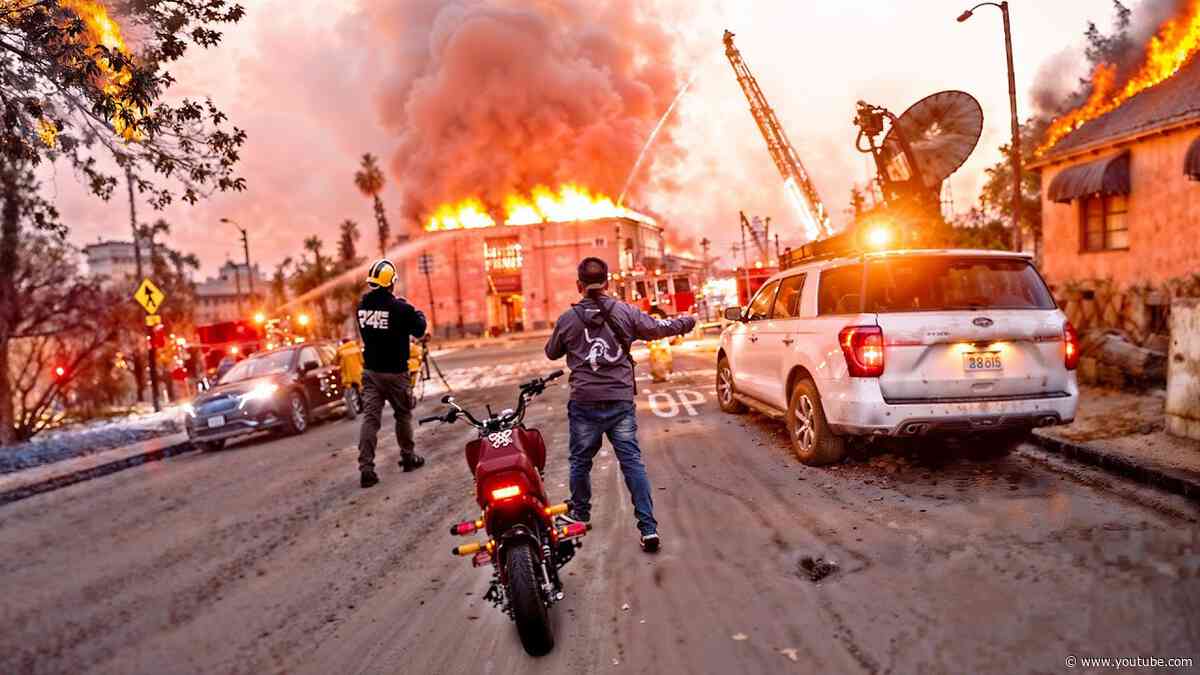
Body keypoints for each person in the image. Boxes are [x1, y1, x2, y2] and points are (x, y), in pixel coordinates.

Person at [544, 257, 696, 553]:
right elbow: (658, 328)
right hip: (619, 400)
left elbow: (551, 353)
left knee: (580, 462)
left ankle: (580, 514)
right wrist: (687, 321)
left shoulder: (567, 319)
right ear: (608, 283)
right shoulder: (625, 312)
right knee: (632, 462)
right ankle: (649, 529)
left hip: (584, 401)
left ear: (579, 285)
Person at [356, 259, 428, 488]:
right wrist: (417, 312)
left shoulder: (362, 307)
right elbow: (419, 328)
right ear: (391, 283)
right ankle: (408, 458)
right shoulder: (400, 308)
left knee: (370, 419)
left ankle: (366, 469)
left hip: (371, 373)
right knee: (403, 414)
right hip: (396, 373)